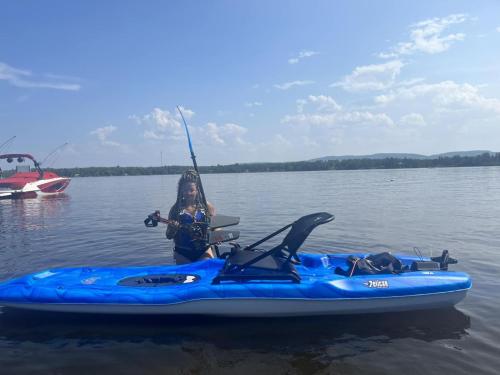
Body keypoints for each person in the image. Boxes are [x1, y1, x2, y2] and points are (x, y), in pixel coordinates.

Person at [166, 169, 216, 264]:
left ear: (197, 190)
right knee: (187, 277)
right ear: (180, 190)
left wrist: (218, 237)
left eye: (191, 190)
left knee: (207, 273)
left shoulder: (207, 206)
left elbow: (217, 227)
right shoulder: (175, 210)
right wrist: (173, 229)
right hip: (182, 254)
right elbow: (168, 235)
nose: (188, 193)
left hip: (204, 251)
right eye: (184, 190)